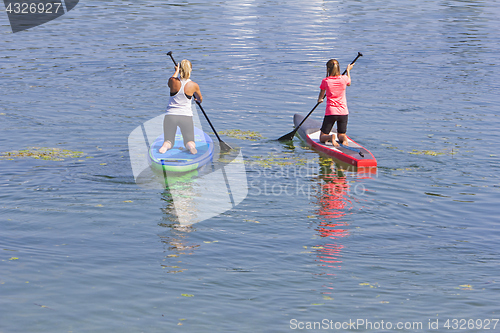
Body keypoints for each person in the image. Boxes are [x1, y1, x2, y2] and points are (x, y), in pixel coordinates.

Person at [159, 59, 202, 154]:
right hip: (186, 116)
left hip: (171, 116)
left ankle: (165, 146)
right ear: (190, 70)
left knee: (169, 140)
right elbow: (200, 99)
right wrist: (196, 99)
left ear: (180, 69)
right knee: (189, 140)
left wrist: (176, 71)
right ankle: (191, 146)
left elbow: (170, 82)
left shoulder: (173, 81)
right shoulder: (194, 85)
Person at [317, 59, 354, 147]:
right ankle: (344, 139)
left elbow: (321, 95)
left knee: (322, 137)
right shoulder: (344, 78)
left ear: (328, 69)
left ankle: (330, 137)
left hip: (331, 112)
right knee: (341, 134)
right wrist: (348, 70)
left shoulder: (325, 81)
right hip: (343, 112)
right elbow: (349, 83)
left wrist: (320, 99)